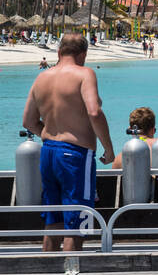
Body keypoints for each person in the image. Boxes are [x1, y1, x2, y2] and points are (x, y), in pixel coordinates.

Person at [21, 32, 115, 252]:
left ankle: (48, 269)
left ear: (58, 52)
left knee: (53, 219)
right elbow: (94, 112)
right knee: (78, 221)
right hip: (76, 155)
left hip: (48, 152)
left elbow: (28, 121)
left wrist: (51, 134)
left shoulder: (42, 78)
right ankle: (72, 269)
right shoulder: (84, 74)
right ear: (83, 54)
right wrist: (108, 148)